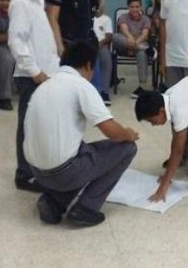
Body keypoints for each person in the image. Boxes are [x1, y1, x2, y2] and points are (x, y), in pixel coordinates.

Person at [24, 41, 138, 227]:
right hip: (64, 173)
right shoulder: (80, 85)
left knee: (80, 150)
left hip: (37, 172)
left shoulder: (44, 86)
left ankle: (53, 201)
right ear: (88, 65)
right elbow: (111, 131)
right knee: (126, 148)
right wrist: (128, 134)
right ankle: (86, 208)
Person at [8, 0, 59, 192]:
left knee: (40, 124)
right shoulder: (20, 1)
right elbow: (16, 41)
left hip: (45, 72)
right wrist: (34, 71)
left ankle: (38, 167)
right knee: (28, 125)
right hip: (32, 76)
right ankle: (24, 174)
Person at [112, 0, 153, 99]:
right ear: (128, 7)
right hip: (124, 46)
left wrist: (135, 44)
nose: (134, 9)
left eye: (137, 6)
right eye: (132, 7)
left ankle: (142, 86)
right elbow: (124, 29)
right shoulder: (123, 17)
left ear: (141, 7)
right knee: (115, 37)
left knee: (141, 53)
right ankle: (145, 49)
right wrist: (130, 38)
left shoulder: (145, 19)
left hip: (138, 46)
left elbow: (144, 35)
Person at [93, 6, 113, 106]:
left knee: (106, 58)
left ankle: (104, 92)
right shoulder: (87, 17)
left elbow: (109, 36)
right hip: (88, 44)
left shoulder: (106, 19)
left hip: (102, 45)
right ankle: (94, 92)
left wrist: (99, 44)